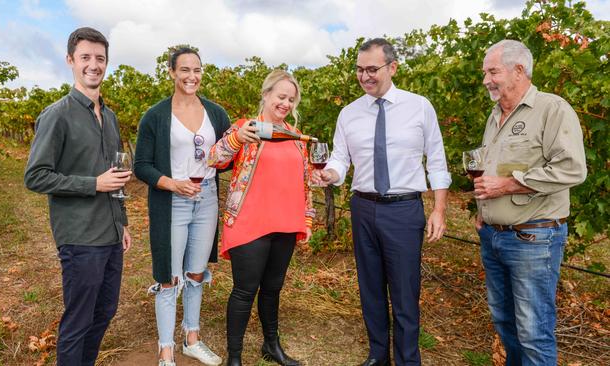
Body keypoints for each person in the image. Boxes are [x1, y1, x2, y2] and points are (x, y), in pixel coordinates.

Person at [312, 38, 451, 366]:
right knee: (370, 288)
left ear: (392, 67)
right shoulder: (349, 113)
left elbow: (438, 161)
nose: (364, 76)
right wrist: (330, 175)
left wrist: (440, 209)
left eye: (372, 69)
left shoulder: (419, 106)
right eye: (360, 70)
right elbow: (340, 158)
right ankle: (378, 355)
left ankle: (406, 359)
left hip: (404, 210)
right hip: (363, 208)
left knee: (405, 293)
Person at [24, 27, 132, 365]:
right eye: (85, 57)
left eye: (100, 58)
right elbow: (35, 176)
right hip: (80, 237)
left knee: (105, 312)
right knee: (78, 320)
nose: (93, 64)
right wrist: (92, 184)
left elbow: (115, 177)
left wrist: (123, 222)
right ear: (71, 61)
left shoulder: (110, 117)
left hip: (111, 234)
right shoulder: (57, 116)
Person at [474, 39, 586, 365]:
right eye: (485, 73)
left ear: (519, 70)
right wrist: (484, 212)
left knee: (533, 330)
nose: (486, 80)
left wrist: (507, 185)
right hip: (493, 236)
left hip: (533, 238)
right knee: (505, 322)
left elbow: (571, 169)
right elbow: (490, 174)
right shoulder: (494, 115)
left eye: (492, 71)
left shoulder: (552, 109)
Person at [208, 69, 315, 366]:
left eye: (291, 99)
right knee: (244, 290)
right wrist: (236, 139)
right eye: (281, 96)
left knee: (273, 288)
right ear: (266, 95)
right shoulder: (246, 127)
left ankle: (271, 346)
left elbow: (305, 181)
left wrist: (306, 219)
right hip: (249, 222)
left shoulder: (296, 137)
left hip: (285, 223)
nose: (285, 103)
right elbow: (214, 159)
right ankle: (235, 358)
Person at [134, 47, 230, 366]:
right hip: (172, 202)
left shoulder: (215, 113)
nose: (192, 76)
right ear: (172, 72)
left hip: (206, 202)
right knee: (168, 277)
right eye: (185, 70)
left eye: (197, 70)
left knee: (196, 273)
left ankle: (191, 338)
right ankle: (166, 350)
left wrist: (239, 144)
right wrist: (173, 183)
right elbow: (142, 166)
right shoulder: (156, 115)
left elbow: (227, 159)